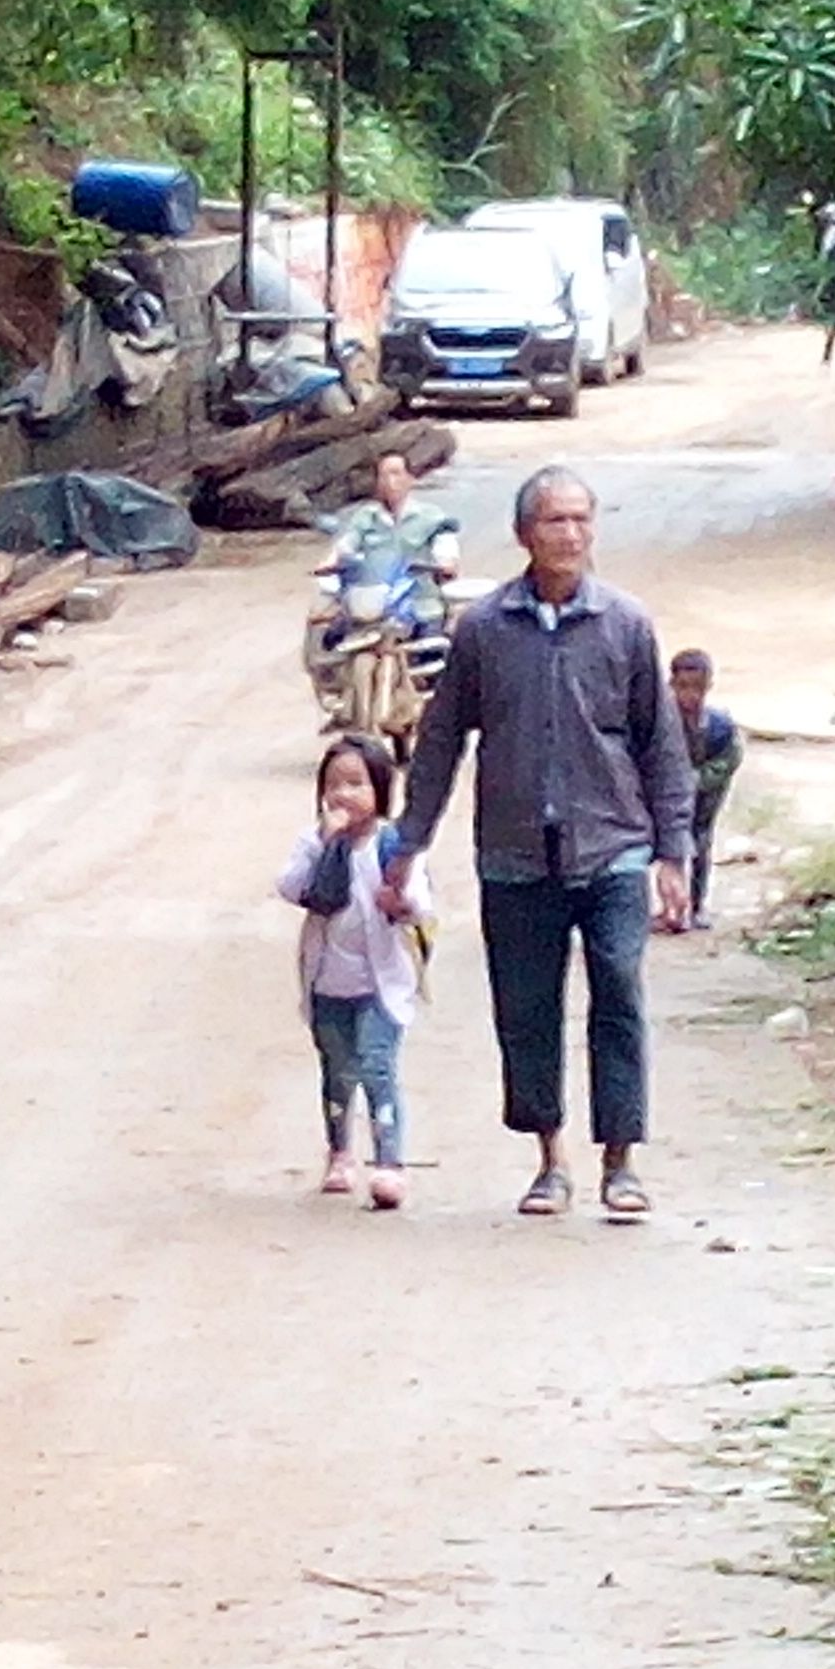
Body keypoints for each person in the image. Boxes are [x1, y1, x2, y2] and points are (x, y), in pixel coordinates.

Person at [390, 466, 693, 1222]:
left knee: (617, 993)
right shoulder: (485, 630)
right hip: (516, 852)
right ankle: (550, 1160)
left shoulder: (625, 624)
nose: (571, 534)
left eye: (582, 519)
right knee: (526, 1009)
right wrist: (410, 840)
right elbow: (441, 739)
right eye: (555, 520)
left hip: (612, 845)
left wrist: (673, 852)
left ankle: (620, 1160)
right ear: (524, 533)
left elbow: (660, 744)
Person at [278, 732, 430, 1211]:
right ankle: (340, 1152)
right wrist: (324, 844)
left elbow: (421, 902)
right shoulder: (314, 843)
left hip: (380, 987)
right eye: (333, 784)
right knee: (337, 1070)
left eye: (355, 783)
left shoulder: (392, 846)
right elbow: (290, 886)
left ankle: (389, 1161)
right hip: (328, 982)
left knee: (377, 1065)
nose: (342, 794)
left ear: (380, 789)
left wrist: (399, 901)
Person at [315, 447, 459, 653]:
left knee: (434, 651)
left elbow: (445, 546)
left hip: (420, 603)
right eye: (383, 476)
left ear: (410, 478)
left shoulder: (432, 517)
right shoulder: (365, 517)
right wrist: (331, 562)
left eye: (396, 474)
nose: (390, 482)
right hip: (372, 603)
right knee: (329, 641)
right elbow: (346, 544)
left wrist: (446, 563)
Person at [662, 649, 742, 936]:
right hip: (669, 792)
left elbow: (730, 758)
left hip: (707, 791)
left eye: (697, 687)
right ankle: (671, 906)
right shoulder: (661, 722)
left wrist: (698, 780)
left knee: (700, 840)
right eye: (683, 687)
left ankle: (697, 905)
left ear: (708, 686)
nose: (690, 695)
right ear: (671, 685)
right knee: (668, 843)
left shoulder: (720, 726)